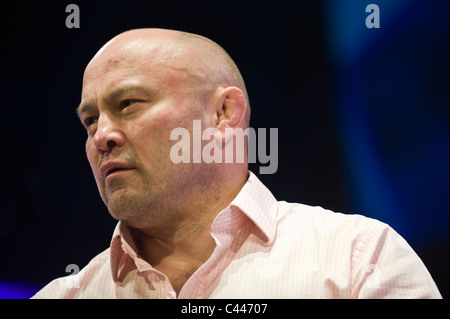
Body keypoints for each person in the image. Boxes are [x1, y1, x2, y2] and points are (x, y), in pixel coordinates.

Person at [33, 28, 441, 299]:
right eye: (89, 120)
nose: (101, 135)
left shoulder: (357, 259)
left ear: (224, 114)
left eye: (128, 105)